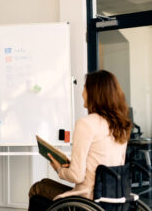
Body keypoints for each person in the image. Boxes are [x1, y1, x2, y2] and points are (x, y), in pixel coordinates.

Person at [28, 70, 132, 211]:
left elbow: (76, 176)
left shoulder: (86, 123)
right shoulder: (122, 125)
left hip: (88, 200)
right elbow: (107, 162)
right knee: (45, 183)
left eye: (84, 88)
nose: (82, 93)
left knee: (38, 188)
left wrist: (59, 169)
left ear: (94, 92)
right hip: (113, 200)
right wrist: (71, 163)